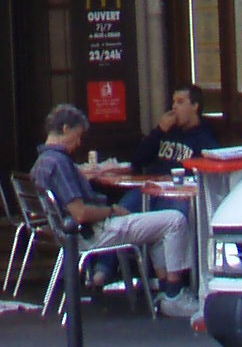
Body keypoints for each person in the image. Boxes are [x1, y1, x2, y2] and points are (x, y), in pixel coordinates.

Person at [32, 103, 195, 311]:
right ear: (65, 129)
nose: (79, 142)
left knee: (157, 227)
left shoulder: (41, 163)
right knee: (174, 220)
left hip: (74, 235)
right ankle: (174, 294)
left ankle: (166, 289)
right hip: (94, 232)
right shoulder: (59, 163)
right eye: (78, 135)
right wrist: (111, 210)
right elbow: (80, 213)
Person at [130, 84, 215, 174]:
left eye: (180, 102)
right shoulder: (168, 131)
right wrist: (159, 130)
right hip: (151, 183)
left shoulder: (204, 140)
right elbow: (137, 159)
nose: (174, 107)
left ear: (195, 106)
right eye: (173, 102)